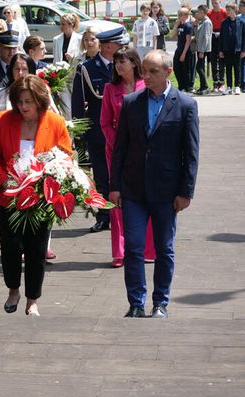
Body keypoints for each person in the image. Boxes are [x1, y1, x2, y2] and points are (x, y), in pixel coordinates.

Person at [110, 50, 199, 319]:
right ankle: (136, 302)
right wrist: (115, 186)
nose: (145, 77)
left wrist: (186, 192)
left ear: (168, 72)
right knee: (134, 248)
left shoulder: (185, 105)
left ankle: (160, 301)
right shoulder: (131, 102)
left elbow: (191, 152)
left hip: (166, 191)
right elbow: (120, 148)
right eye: (144, 71)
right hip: (134, 188)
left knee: (164, 249)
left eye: (153, 72)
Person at [0, 74, 73, 317]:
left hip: (41, 198)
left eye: (29, 102)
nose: (23, 107)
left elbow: (66, 157)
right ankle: (13, 289)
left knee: (36, 249)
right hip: (7, 196)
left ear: (40, 101)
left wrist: (49, 181)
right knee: (10, 246)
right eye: (20, 101)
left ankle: (32, 298)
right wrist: (4, 181)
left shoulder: (55, 122)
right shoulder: (5, 120)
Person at [100, 46, 155, 268]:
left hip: (144, 151)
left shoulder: (147, 86)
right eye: (116, 62)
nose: (118, 66)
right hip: (116, 152)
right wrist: (118, 143)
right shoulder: (110, 88)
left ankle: (149, 249)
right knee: (117, 199)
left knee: (148, 195)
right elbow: (104, 122)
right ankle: (120, 251)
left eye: (122, 61)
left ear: (134, 63)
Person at [71, 27, 129, 233]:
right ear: (108, 47)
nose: (123, 48)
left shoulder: (127, 65)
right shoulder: (87, 68)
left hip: (127, 133)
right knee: (102, 177)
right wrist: (79, 133)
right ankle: (104, 216)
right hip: (99, 133)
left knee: (126, 175)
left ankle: (126, 215)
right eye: (119, 45)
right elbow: (78, 102)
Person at [0, 54, 37, 135]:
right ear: (11, 71)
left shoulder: (40, 93)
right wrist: (2, 138)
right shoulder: (1, 93)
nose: (20, 73)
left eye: (24, 69)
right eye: (17, 69)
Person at [219, 3, 244, 95]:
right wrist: (221, 50)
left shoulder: (241, 22)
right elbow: (221, 37)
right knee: (228, 68)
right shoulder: (224, 22)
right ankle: (229, 87)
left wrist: (243, 50)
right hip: (227, 49)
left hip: (237, 49)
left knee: (237, 68)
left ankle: (237, 86)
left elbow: (244, 37)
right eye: (227, 10)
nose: (227, 12)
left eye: (229, 10)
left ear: (234, 10)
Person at [170, 8, 193, 91]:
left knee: (185, 70)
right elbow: (172, 36)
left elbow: (188, 41)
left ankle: (186, 87)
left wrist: (183, 54)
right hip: (179, 49)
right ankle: (181, 85)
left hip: (185, 51)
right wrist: (176, 25)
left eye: (181, 15)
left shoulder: (188, 26)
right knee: (176, 68)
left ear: (186, 16)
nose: (179, 16)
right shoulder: (179, 25)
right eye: (178, 14)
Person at [208, 0, 227, 92]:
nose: (214, 4)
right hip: (212, 37)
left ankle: (222, 83)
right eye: (213, 3)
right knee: (213, 61)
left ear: (220, 2)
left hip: (221, 37)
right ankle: (215, 83)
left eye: (216, 2)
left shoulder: (224, 12)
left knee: (221, 61)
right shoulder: (209, 12)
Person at [194, 5, 213, 95]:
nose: (196, 14)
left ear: (202, 12)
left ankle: (205, 86)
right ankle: (202, 86)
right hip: (200, 48)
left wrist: (202, 50)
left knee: (199, 67)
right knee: (200, 67)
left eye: (197, 12)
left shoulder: (207, 22)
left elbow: (207, 38)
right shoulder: (202, 21)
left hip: (203, 49)